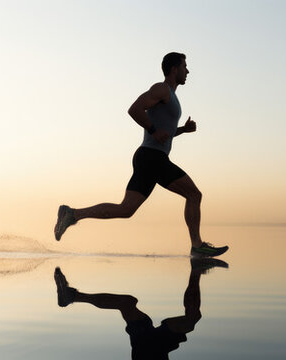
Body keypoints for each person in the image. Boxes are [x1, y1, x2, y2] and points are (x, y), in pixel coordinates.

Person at [53, 52, 227, 258]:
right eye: (185, 66)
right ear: (174, 69)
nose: (187, 71)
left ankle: (73, 214)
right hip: (152, 158)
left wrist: (181, 130)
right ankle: (197, 245)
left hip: (149, 157)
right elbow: (134, 109)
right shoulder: (162, 89)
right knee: (194, 195)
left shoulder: (171, 95)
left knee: (126, 209)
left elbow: (164, 132)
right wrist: (153, 130)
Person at [53, 258, 227, 359]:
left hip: (149, 351)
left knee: (191, 319)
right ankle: (72, 296)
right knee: (127, 303)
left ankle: (196, 270)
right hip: (151, 349)